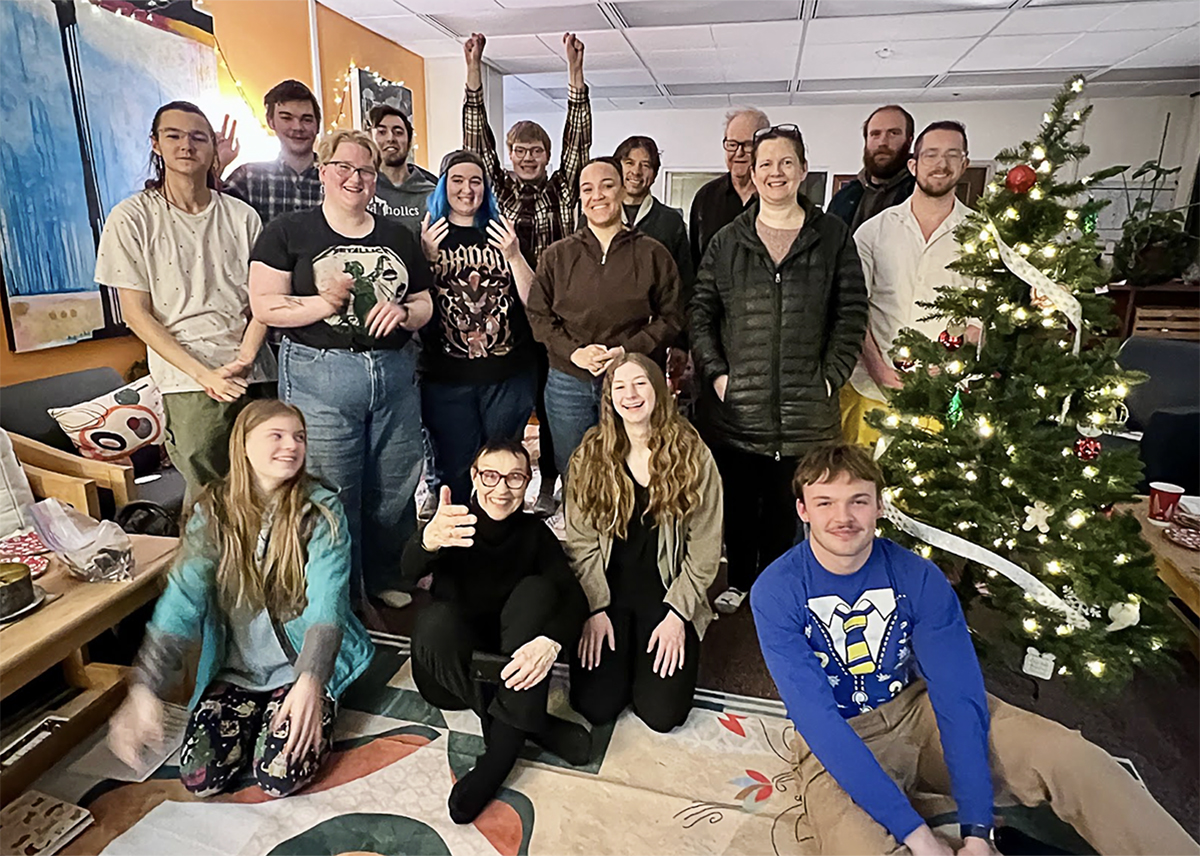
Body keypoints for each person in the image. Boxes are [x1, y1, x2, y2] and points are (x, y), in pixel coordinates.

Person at [751, 444, 1200, 856]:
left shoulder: (919, 578)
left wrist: (977, 831)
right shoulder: (774, 591)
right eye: (826, 502)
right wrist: (918, 836)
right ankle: (922, 813)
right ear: (803, 510)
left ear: (879, 507)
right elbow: (819, 721)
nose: (842, 516)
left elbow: (958, 698)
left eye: (858, 501)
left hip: (917, 711)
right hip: (839, 735)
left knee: (1071, 756)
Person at [108, 400, 374, 799]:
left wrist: (312, 679)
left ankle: (300, 707)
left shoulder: (320, 508)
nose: (292, 446)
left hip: (300, 667)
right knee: (201, 779)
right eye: (276, 435)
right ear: (244, 446)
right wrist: (146, 688)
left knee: (279, 776)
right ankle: (258, 715)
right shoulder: (213, 511)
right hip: (236, 671)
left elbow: (328, 601)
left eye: (298, 437)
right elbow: (182, 601)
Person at [248, 129, 433, 613]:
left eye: (366, 171)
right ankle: (339, 594)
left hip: (392, 374)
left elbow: (424, 301)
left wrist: (406, 314)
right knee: (333, 491)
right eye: (345, 168)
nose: (356, 178)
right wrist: (321, 302)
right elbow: (265, 306)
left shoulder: (397, 236)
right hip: (319, 375)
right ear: (323, 171)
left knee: (394, 485)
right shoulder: (287, 232)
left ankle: (386, 575)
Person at [690, 124, 868, 615]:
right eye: (765, 163)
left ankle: (782, 586)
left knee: (798, 508)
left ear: (803, 171)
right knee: (742, 505)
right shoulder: (728, 241)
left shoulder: (831, 236)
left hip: (808, 409)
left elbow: (851, 311)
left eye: (786, 162)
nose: (775, 172)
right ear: (753, 168)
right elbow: (700, 313)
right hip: (738, 408)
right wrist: (718, 375)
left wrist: (831, 375)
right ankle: (742, 578)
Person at [400, 440, 590, 824]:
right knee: (434, 621)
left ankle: (497, 760)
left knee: (538, 593)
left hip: (510, 662)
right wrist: (426, 541)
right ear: (474, 477)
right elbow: (406, 572)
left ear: (527, 484)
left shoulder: (534, 534)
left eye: (515, 477)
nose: (501, 488)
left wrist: (550, 642)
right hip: (452, 674)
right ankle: (527, 727)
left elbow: (574, 599)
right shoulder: (453, 524)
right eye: (491, 475)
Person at [95, 101, 275, 497]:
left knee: (271, 490)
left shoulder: (243, 216)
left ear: (213, 148)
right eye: (173, 135)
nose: (186, 146)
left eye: (198, 137)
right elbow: (137, 315)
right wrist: (203, 374)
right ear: (155, 144)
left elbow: (265, 299)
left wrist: (245, 358)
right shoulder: (132, 217)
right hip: (188, 382)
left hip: (256, 372)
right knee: (210, 498)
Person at [462, 31, 592, 517]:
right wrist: (473, 70)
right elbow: (477, 139)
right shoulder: (498, 191)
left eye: (537, 149)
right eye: (521, 149)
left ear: (546, 154)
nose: (529, 156)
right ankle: (505, 474)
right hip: (506, 318)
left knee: (556, 406)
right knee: (516, 404)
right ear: (512, 155)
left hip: (558, 315)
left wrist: (574, 76)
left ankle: (552, 479)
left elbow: (579, 142)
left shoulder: (562, 191)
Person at [565, 354, 722, 733]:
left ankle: (646, 657)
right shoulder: (589, 455)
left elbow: (705, 547)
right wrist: (594, 608)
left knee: (662, 715)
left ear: (659, 389)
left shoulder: (693, 454)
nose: (630, 395)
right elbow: (580, 543)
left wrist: (678, 615)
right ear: (609, 398)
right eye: (619, 386)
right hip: (607, 592)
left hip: (667, 593)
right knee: (596, 706)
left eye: (640, 383)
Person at [526, 157, 683, 477]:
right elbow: (538, 316)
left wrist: (628, 351)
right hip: (568, 380)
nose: (597, 195)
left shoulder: (653, 253)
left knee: (636, 467)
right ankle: (580, 528)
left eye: (607, 185)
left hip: (632, 379)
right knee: (575, 468)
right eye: (588, 189)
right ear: (580, 200)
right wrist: (575, 352)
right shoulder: (557, 255)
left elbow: (673, 316)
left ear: (623, 190)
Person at [843, 121, 981, 445]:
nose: (941, 164)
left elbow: (981, 320)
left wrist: (944, 370)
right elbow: (853, 310)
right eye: (931, 154)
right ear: (913, 164)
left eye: (952, 155)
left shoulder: (981, 236)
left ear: (965, 164)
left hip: (944, 398)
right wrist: (879, 370)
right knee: (860, 491)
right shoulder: (873, 233)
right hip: (871, 393)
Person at [418, 150, 537, 503]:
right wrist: (424, 258)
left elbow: (535, 302)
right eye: (457, 180)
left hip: (507, 375)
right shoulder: (427, 236)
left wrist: (515, 255)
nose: (467, 189)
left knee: (502, 469)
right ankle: (456, 549)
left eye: (476, 181)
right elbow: (411, 301)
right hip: (446, 379)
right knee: (453, 474)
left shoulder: (505, 235)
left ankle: (500, 546)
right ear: (443, 186)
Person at [224, 80, 323, 225]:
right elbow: (210, 216)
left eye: (306, 119)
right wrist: (217, 164)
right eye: (286, 118)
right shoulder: (248, 177)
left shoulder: (338, 178)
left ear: (317, 125)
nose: (298, 127)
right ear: (271, 122)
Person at [614, 135, 693, 303]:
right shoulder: (596, 218)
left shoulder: (671, 222)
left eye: (645, 165)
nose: (636, 171)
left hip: (657, 322)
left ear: (655, 174)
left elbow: (685, 284)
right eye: (629, 163)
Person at [689, 108, 770, 268]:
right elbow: (695, 260)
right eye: (732, 144)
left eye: (747, 145)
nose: (738, 153)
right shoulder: (705, 197)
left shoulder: (776, 197)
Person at [827, 104, 917, 233]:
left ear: (909, 140)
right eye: (875, 134)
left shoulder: (921, 194)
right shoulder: (843, 198)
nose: (882, 142)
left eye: (893, 133)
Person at [368, 103, 437, 237]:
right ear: (370, 139)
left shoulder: (431, 192)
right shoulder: (361, 188)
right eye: (382, 132)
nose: (391, 138)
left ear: (409, 141)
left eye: (398, 132)